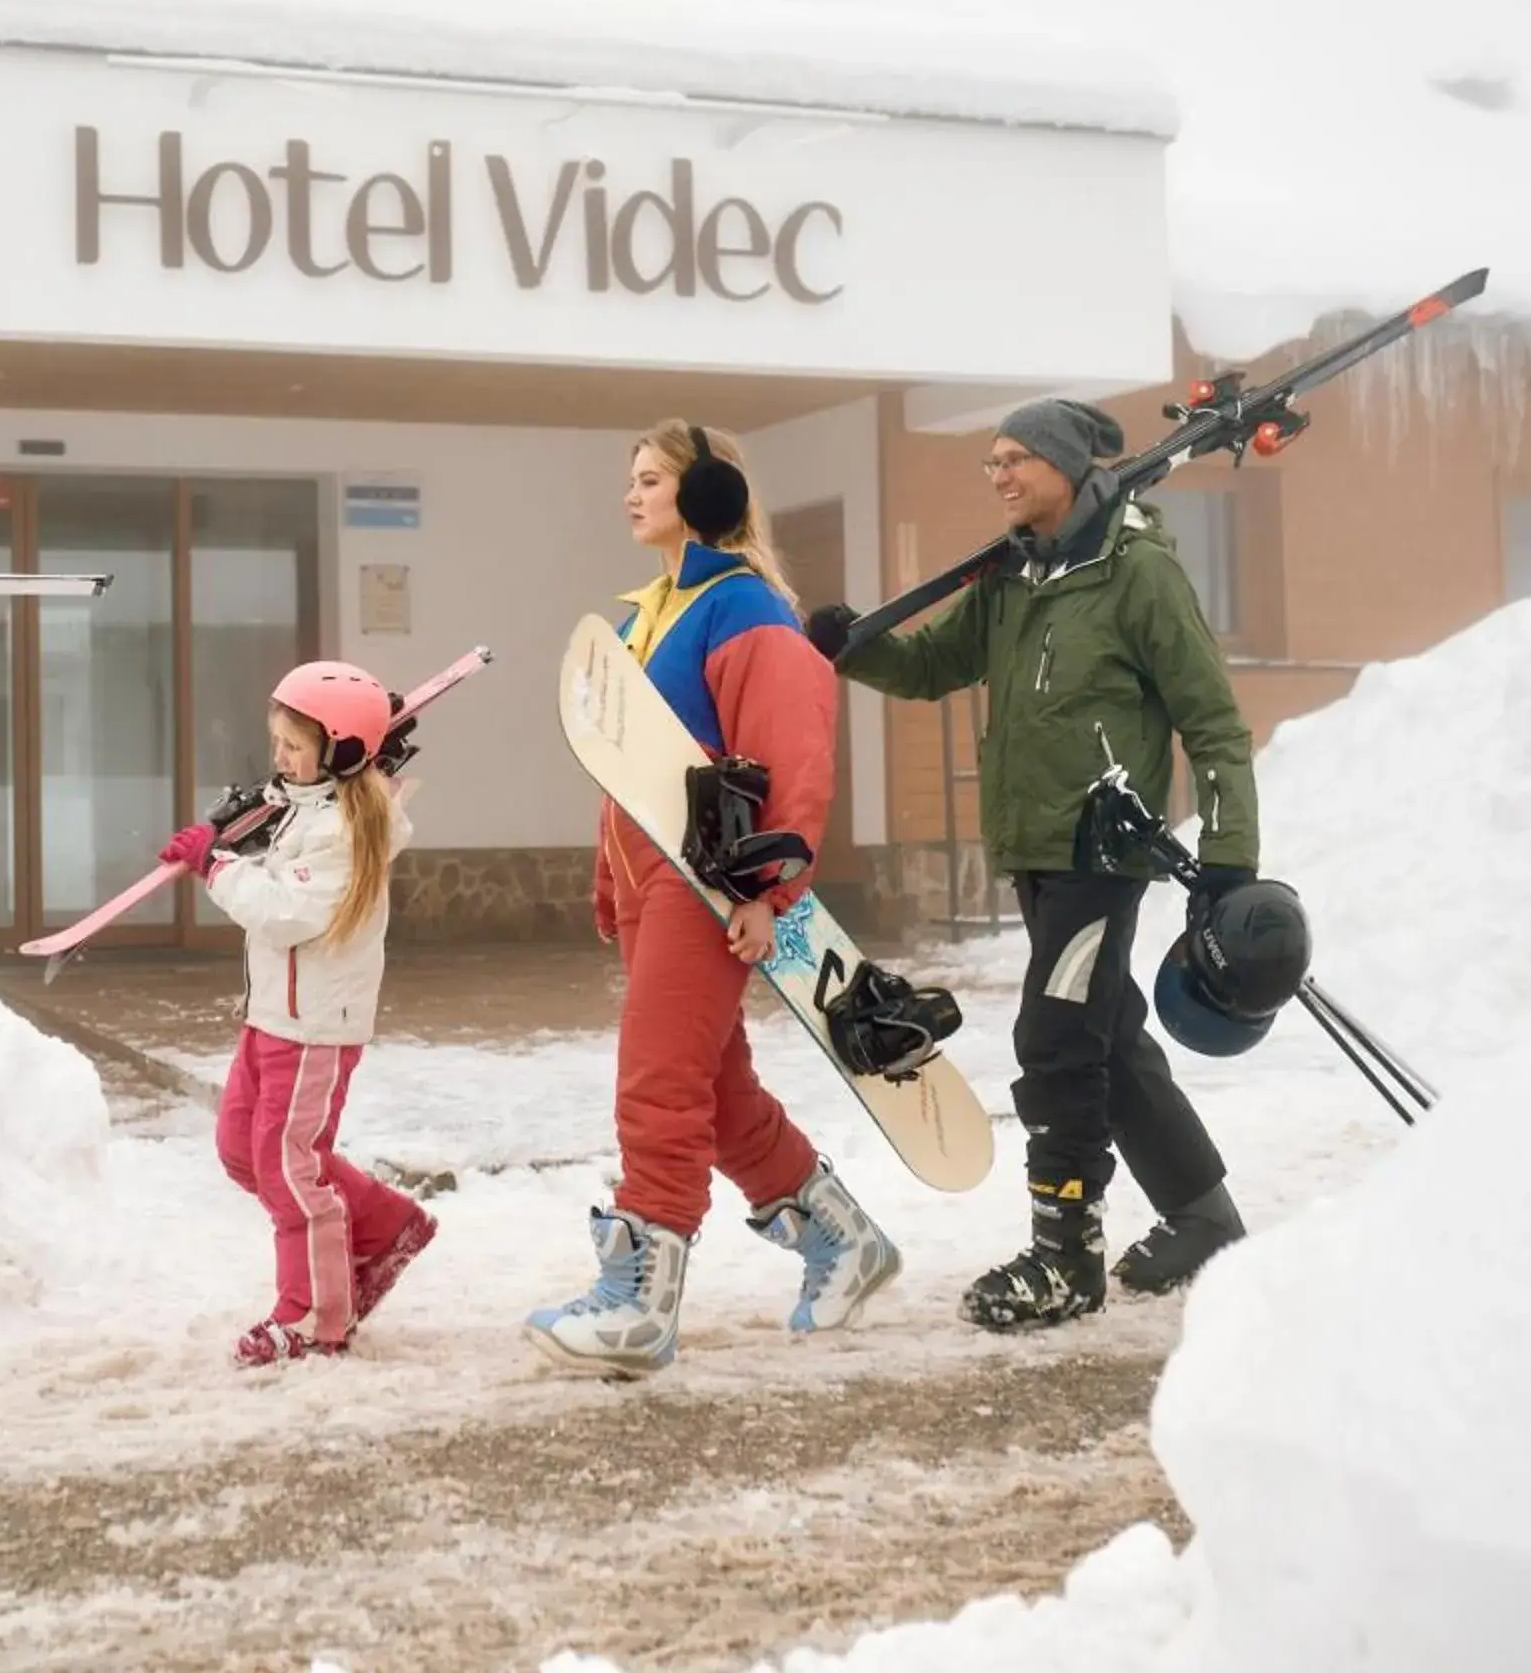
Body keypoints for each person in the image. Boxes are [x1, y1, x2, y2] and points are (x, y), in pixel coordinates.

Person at [810, 397, 1259, 1329]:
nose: (1001, 475)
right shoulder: (1014, 577)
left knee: (1054, 1042)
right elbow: (936, 666)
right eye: (992, 462)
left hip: (1103, 846)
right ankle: (1205, 1216)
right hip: (1035, 844)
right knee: (1105, 1033)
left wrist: (1229, 858)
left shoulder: (1136, 574)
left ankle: (1066, 1258)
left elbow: (1213, 722)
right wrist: (856, 651)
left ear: (1065, 467)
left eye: (1016, 458)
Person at [524, 421, 899, 1378]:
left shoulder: (743, 611)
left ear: (708, 495)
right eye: (631, 478)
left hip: (711, 885)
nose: (631, 494)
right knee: (716, 1092)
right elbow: (633, 771)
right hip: (657, 884)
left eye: (650, 478)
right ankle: (844, 1240)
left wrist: (770, 889)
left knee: (657, 1078)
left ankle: (639, 1304)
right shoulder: (649, 614)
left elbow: (791, 756)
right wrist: (614, 881)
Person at [160, 662, 437, 1367]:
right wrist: (223, 836)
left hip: (316, 1026)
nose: (278, 757)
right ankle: (384, 1221)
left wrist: (217, 869)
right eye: (276, 741)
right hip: (272, 1016)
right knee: (241, 1150)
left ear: (340, 753)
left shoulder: (346, 828)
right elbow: (273, 856)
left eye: (292, 745)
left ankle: (315, 1315)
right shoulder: (306, 806)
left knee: (288, 1169)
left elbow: (288, 915)